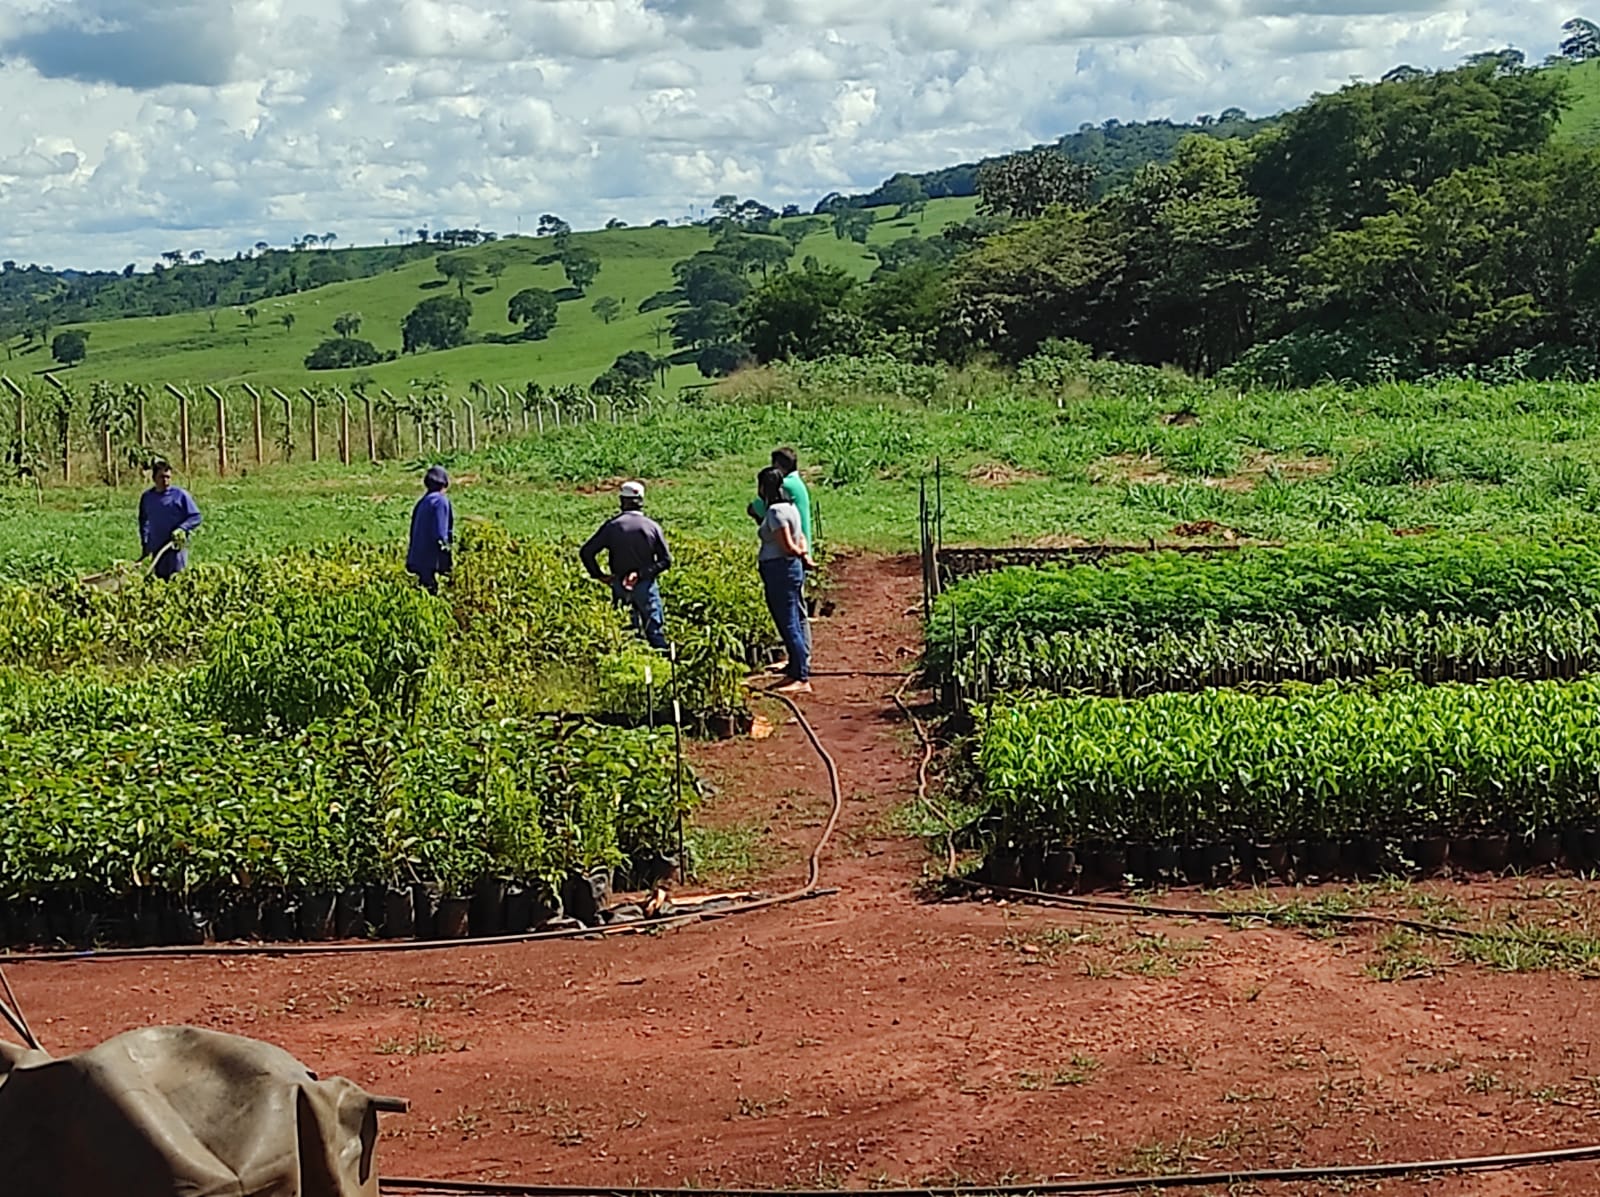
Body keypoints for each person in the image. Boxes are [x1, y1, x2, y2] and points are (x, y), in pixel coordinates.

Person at [580, 481, 672, 650]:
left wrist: (599, 575)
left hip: (620, 584)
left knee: (626, 633)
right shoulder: (652, 527)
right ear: (641, 501)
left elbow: (587, 552)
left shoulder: (612, 527)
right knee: (655, 633)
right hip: (646, 585)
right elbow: (665, 561)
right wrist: (641, 574)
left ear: (622, 501)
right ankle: (664, 665)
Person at [755, 465, 816, 694]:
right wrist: (804, 555)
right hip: (789, 569)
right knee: (795, 618)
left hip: (780, 570)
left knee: (788, 621)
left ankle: (801, 676)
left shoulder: (775, 512)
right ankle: (796, 667)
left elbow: (787, 546)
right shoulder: (791, 508)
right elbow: (800, 539)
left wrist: (799, 553)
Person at [137, 459, 202, 580]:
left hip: (175, 548)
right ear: (154, 478)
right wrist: (145, 543)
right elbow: (143, 521)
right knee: (160, 580)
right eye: (162, 477)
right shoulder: (147, 498)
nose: (166, 481)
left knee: (177, 579)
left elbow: (196, 516)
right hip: (157, 548)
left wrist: (182, 528)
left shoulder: (180, 495)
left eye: (168, 477)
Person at [747, 446, 812, 547]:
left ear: (777, 465)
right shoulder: (797, 483)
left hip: (790, 549)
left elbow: (756, 508)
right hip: (801, 545)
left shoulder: (783, 485)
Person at [406, 465, 454, 594]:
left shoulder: (422, 502)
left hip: (418, 559)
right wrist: (447, 563)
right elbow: (440, 535)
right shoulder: (440, 502)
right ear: (445, 484)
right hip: (431, 562)